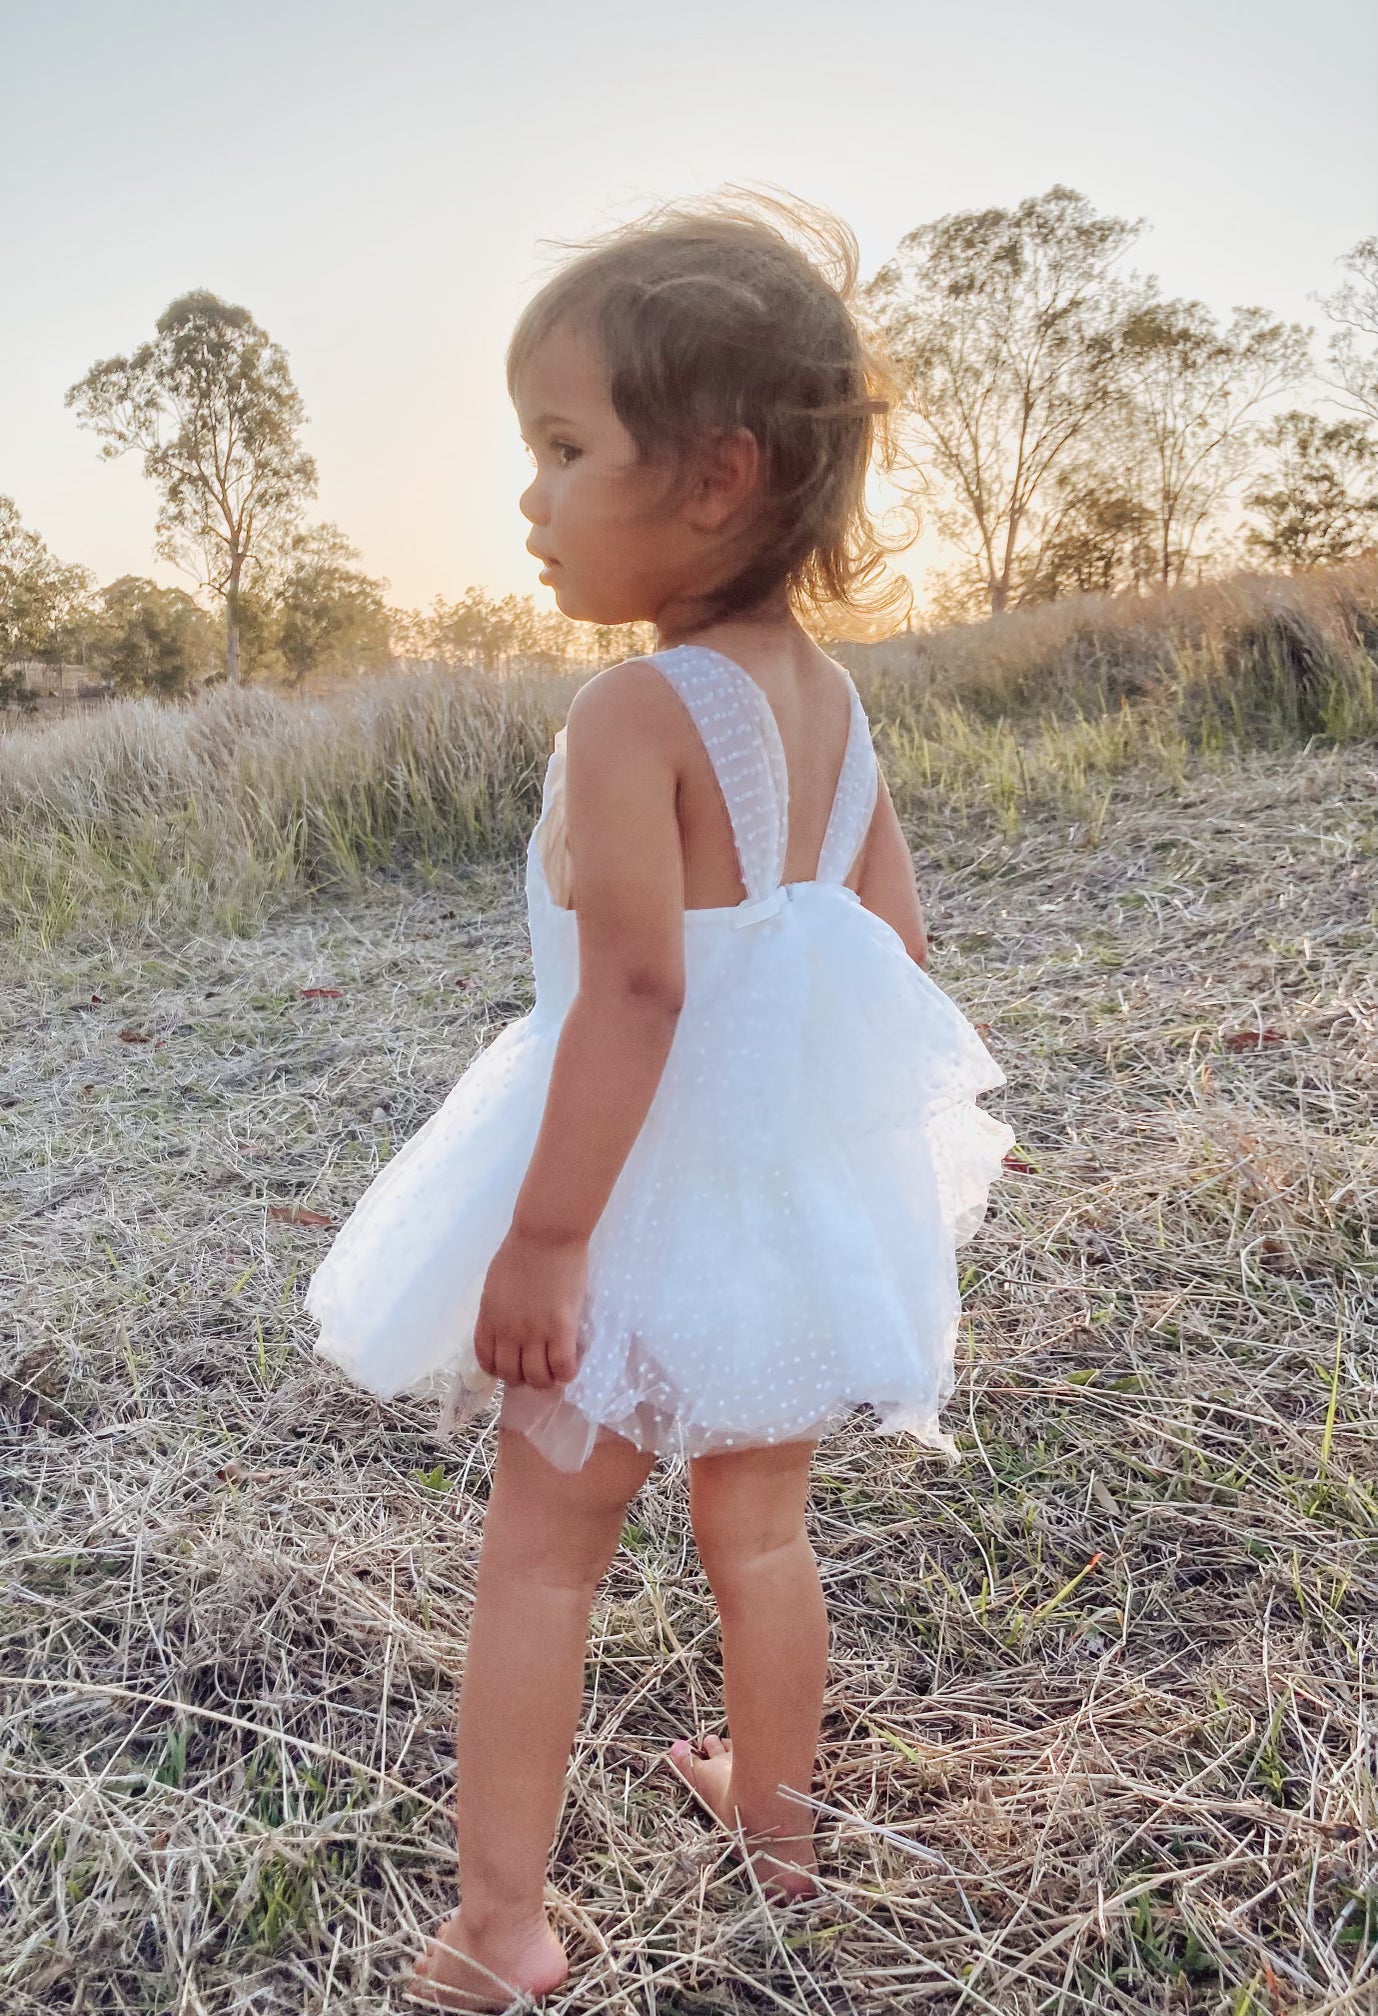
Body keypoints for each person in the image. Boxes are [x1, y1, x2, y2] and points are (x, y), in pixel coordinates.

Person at [305, 186, 1015, 2011]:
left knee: (544, 1558)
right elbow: (894, 947)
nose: (526, 498)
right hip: (771, 1205)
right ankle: (772, 1822)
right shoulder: (830, 703)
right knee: (755, 1527)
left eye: (560, 448)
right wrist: (818, 1156)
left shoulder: (638, 715)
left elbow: (633, 985)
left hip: (625, 1213)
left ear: (710, 478)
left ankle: (502, 1933)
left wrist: (546, 1239)